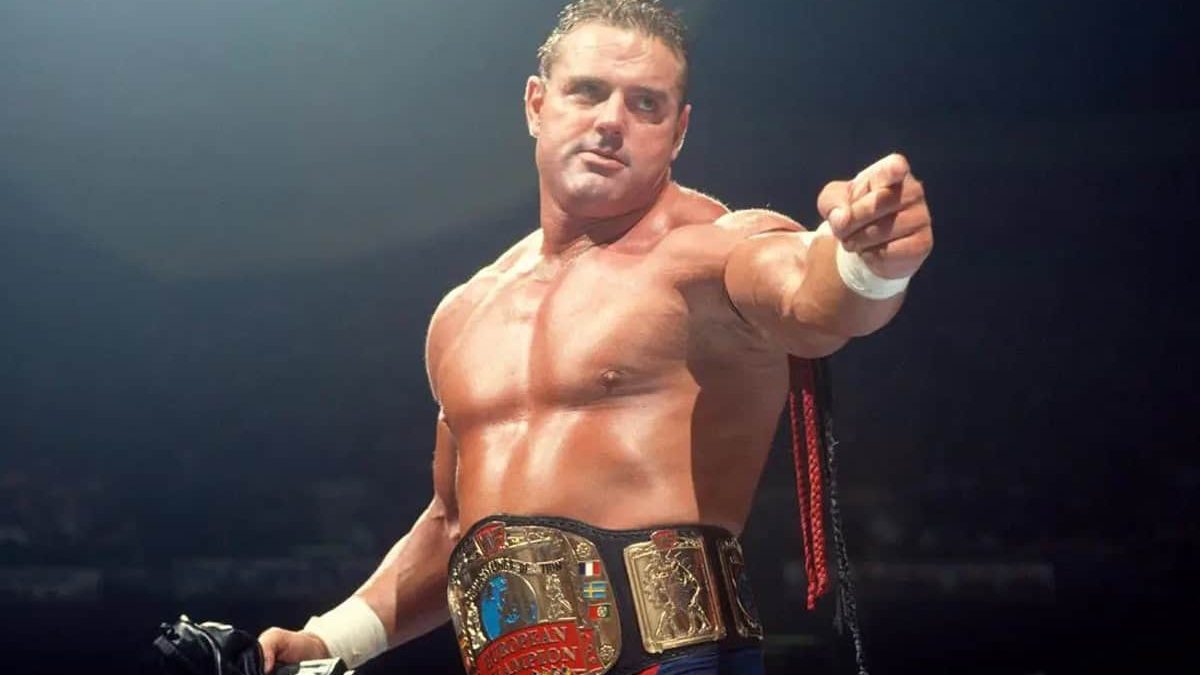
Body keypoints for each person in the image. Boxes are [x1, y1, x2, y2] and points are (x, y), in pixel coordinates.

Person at [258, 1, 932, 673]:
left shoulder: (711, 253)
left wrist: (870, 262)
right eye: (587, 91)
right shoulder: (466, 312)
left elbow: (812, 300)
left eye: (646, 104)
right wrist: (328, 640)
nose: (612, 120)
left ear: (678, 132)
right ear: (536, 105)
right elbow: (452, 526)